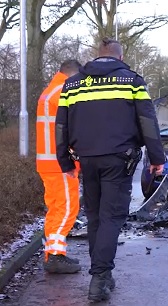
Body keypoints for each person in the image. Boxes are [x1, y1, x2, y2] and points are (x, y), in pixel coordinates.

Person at [55, 37, 165, 302]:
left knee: (95, 217)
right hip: (119, 160)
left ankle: (102, 273)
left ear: (98, 55)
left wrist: (65, 162)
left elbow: (61, 125)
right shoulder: (132, 81)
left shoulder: (72, 83)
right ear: (120, 57)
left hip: (87, 160)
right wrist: (156, 157)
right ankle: (100, 277)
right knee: (111, 218)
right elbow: (147, 121)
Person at [36, 60, 83, 274]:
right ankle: (55, 257)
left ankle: (53, 253)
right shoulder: (63, 92)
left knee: (55, 209)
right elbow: (71, 130)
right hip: (60, 163)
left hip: (48, 162)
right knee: (66, 209)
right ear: (73, 75)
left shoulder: (49, 91)